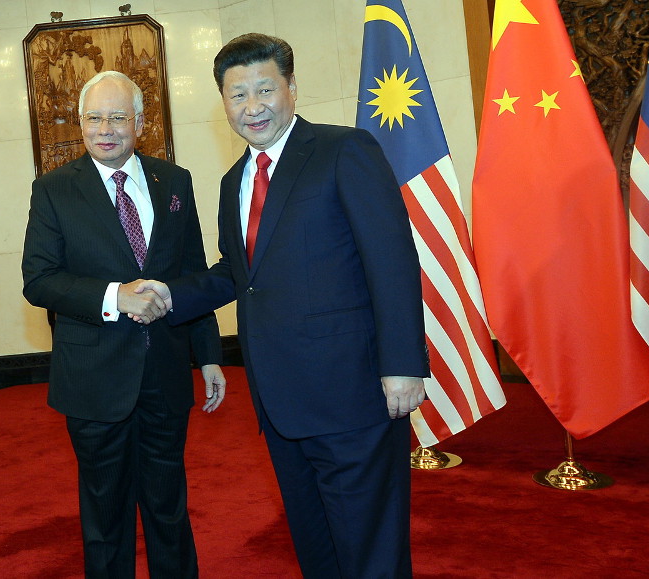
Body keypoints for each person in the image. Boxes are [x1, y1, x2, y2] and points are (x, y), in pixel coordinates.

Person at [136, 33, 429, 578]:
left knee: (369, 546)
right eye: (237, 94)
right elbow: (237, 273)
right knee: (315, 544)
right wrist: (172, 294)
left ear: (291, 88)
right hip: (278, 398)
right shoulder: (232, 182)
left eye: (264, 89)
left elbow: (391, 260)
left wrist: (403, 365)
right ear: (222, 102)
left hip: (354, 393)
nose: (252, 107)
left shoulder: (345, 150)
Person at [21, 70, 226, 578]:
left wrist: (210, 355)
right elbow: (39, 279)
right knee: (105, 516)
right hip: (93, 379)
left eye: (117, 117)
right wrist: (117, 298)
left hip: (166, 371)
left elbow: (192, 273)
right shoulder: (53, 190)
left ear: (139, 122)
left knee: (168, 507)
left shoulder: (174, 181)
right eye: (94, 118)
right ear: (81, 124)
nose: (105, 128)